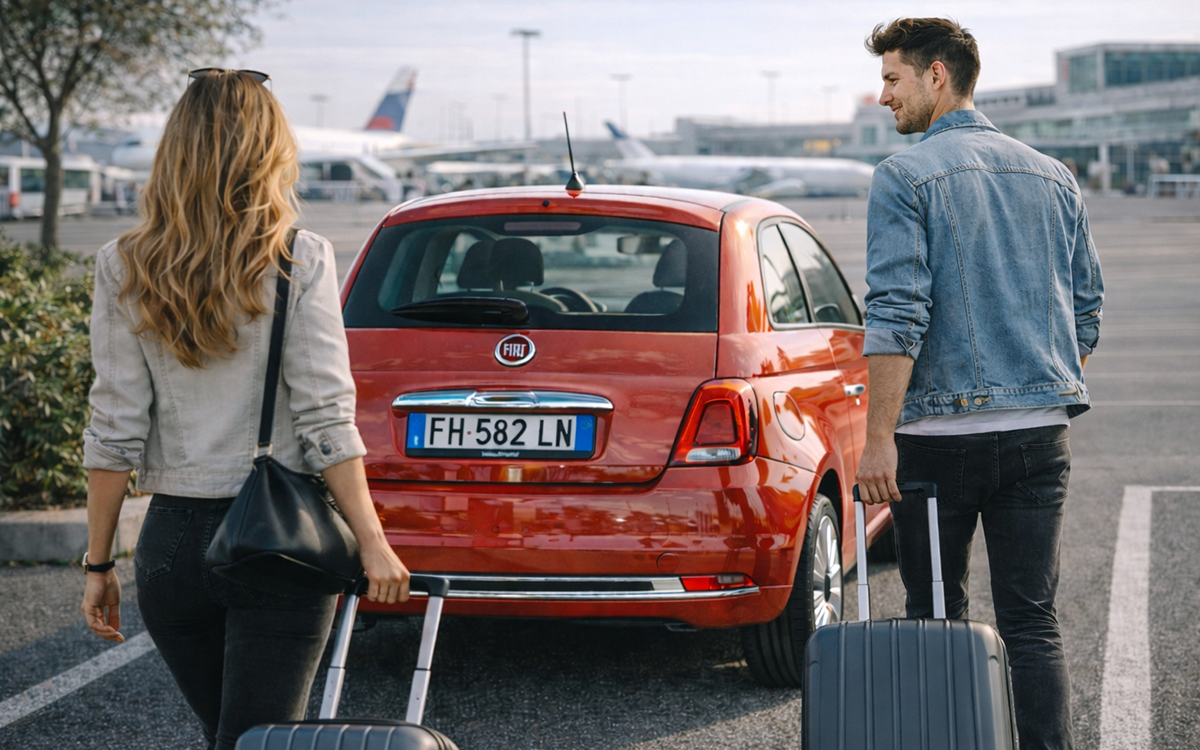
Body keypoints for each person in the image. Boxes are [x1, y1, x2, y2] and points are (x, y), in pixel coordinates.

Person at [79, 68, 410, 750]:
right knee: (260, 741)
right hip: (279, 540)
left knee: (228, 739)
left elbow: (113, 429)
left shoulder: (123, 264)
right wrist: (373, 542)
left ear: (175, 151)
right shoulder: (299, 258)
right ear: (270, 150)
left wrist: (99, 564)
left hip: (170, 544)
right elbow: (326, 420)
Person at [855, 18, 1103, 750]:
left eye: (892, 79)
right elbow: (1085, 308)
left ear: (938, 76)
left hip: (937, 447)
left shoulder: (903, 177)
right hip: (1037, 438)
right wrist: (1039, 386)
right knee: (1033, 620)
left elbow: (899, 312)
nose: (882, 97)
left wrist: (878, 443)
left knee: (936, 617)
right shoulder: (1052, 174)